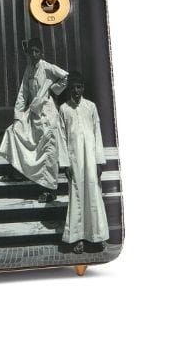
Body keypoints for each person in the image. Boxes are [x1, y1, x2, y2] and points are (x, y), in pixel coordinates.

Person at [0, 37, 68, 202]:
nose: (34, 54)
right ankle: (19, 172)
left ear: (41, 52)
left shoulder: (47, 67)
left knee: (48, 148)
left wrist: (53, 88)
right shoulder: (29, 69)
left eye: (37, 51)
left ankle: (50, 189)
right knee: (14, 131)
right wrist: (18, 115)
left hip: (47, 113)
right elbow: (23, 93)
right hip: (33, 111)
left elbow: (66, 76)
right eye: (31, 52)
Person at [59, 71, 109, 253]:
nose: (76, 91)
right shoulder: (64, 109)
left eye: (79, 87)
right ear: (69, 89)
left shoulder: (91, 107)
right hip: (74, 160)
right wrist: (65, 164)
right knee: (77, 197)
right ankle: (77, 238)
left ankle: (97, 236)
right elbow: (61, 137)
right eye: (72, 88)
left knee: (93, 195)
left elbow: (97, 134)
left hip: (90, 159)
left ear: (83, 88)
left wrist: (99, 161)